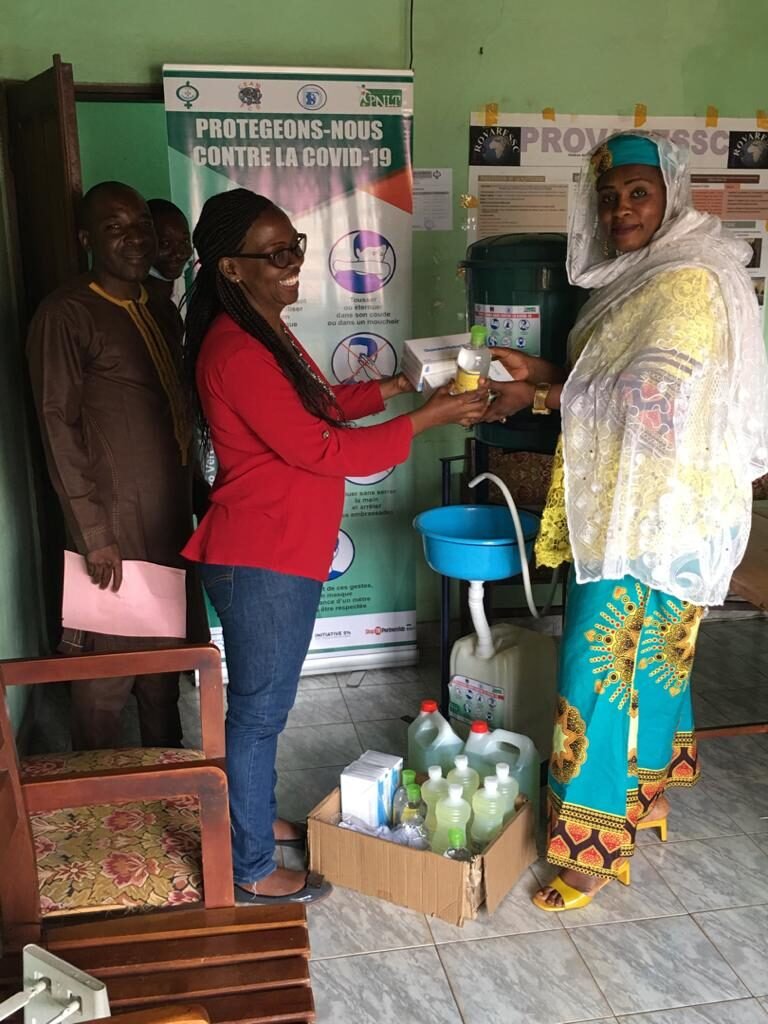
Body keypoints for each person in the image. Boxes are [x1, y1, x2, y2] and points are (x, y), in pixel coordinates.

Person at [483, 131, 768, 911]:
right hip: (664, 510)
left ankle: (589, 850)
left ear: (670, 194)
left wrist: (539, 399)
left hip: (652, 513)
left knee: (595, 673)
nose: (621, 209)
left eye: (638, 193)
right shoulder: (644, 274)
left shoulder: (686, 281)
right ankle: (649, 798)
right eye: (609, 196)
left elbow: (652, 403)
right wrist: (541, 374)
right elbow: (610, 376)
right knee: (653, 665)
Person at [182, 188, 489, 904]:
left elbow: (319, 405)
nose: (294, 264)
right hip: (262, 554)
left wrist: (397, 383)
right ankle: (251, 868)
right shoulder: (237, 350)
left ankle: (255, 822)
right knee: (259, 716)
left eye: (297, 247)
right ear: (230, 267)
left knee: (265, 710)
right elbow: (320, 446)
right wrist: (428, 416)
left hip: (283, 547)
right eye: (277, 254)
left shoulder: (265, 331)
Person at [27, 180, 206, 751]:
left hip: (167, 521)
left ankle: (167, 783)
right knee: (105, 677)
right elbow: (58, 429)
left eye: (141, 227)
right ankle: (99, 804)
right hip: (109, 528)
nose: (134, 239)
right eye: (115, 228)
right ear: (86, 238)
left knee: (161, 670)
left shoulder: (157, 306)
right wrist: (94, 534)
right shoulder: (66, 315)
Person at [145, 198, 193, 308]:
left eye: (185, 241)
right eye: (165, 243)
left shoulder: (184, 286)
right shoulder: (132, 298)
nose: (179, 253)